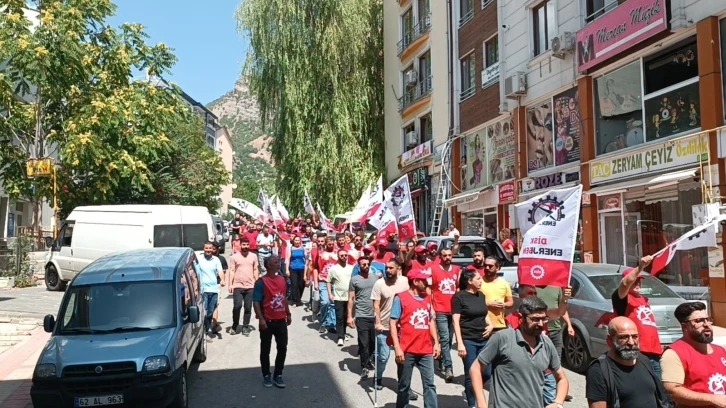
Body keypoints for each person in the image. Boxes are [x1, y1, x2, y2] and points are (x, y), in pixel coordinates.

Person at [470, 297, 569, 408]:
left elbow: (562, 378)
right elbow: (475, 369)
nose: (541, 324)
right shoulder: (502, 338)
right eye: (535, 319)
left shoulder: (546, 344)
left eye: (544, 318)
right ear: (521, 318)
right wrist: (482, 404)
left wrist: (558, 403)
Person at [586, 316, 669, 408]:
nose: (631, 342)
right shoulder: (599, 370)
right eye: (623, 337)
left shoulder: (644, 360)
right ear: (609, 340)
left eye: (634, 337)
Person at [389, 269, 441, 408]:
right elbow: (393, 323)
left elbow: (430, 321)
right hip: (407, 349)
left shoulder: (427, 298)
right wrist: (397, 348)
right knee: (404, 384)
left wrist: (436, 342)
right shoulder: (400, 298)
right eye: (423, 280)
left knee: (430, 384)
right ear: (415, 282)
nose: (426, 282)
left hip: (426, 348)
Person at [662, 301, 726, 407]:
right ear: (685, 327)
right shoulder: (674, 353)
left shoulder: (721, 350)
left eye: (708, 319)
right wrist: (713, 399)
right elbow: (672, 391)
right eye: (699, 321)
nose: (706, 325)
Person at [371, 260, 416, 401]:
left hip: (400, 327)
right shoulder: (379, 284)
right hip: (384, 326)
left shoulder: (404, 281)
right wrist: (377, 322)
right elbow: (376, 305)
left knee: (402, 359)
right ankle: (377, 377)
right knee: (383, 357)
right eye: (386, 268)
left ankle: (405, 388)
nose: (388, 270)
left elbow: (411, 298)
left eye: (391, 268)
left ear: (398, 269)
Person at [612, 255, 663, 378]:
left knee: (657, 389)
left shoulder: (644, 299)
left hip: (654, 352)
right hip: (637, 351)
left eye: (640, 279)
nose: (638, 282)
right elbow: (625, 284)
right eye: (635, 279)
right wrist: (640, 267)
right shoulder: (623, 298)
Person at [452, 268, 493, 408]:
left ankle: (470, 391)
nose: (481, 281)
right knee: (471, 374)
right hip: (468, 340)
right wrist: (460, 343)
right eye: (478, 279)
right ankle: (472, 404)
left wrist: (491, 325)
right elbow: (455, 321)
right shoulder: (459, 297)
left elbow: (484, 313)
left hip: (484, 339)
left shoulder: (481, 295)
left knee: (487, 372)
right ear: (469, 281)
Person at [252, 256, 292, 389]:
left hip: (280, 320)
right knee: (265, 349)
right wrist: (261, 319)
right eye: (275, 262)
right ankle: (266, 375)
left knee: (282, 347)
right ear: (268, 265)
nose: (278, 264)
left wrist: (288, 313)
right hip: (267, 321)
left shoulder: (282, 280)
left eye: (278, 262)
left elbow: (284, 298)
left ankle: (278, 374)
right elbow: (256, 302)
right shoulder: (261, 282)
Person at [431, 246, 460, 382]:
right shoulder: (434, 269)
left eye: (449, 255)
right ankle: (449, 368)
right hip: (440, 308)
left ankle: (442, 359)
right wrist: (431, 307)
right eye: (445, 255)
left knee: (449, 338)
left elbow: (459, 287)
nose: (448, 258)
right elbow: (430, 289)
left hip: (453, 310)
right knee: (444, 338)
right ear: (440, 257)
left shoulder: (456, 270)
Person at [348, 256, 379, 379]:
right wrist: (350, 316)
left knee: (372, 343)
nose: (366, 266)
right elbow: (350, 299)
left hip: (374, 315)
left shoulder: (375, 278)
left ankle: (367, 358)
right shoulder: (354, 280)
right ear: (359, 266)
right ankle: (365, 366)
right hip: (361, 315)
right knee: (363, 342)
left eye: (367, 264)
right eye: (363, 264)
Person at [228, 237, 259, 336]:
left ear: (249, 245)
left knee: (248, 307)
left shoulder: (254, 256)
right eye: (243, 244)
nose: (245, 246)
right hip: (237, 285)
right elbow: (232, 271)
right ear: (240, 245)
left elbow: (255, 270)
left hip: (250, 286)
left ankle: (246, 326)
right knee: (237, 306)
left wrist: (257, 283)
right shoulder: (234, 257)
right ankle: (235, 325)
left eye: (247, 244)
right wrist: (230, 284)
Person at [194, 242, 224, 342]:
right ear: (203, 249)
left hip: (214, 290)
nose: (208, 250)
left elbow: (220, 271)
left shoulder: (216, 260)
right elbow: (195, 273)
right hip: (204, 290)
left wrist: (222, 280)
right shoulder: (199, 260)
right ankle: (203, 334)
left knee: (210, 312)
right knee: (204, 312)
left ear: (213, 249)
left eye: (210, 248)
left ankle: (205, 330)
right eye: (206, 248)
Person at [478, 256, 513, 335]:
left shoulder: (504, 283)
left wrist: (504, 304)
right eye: (485, 265)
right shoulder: (478, 282)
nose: (487, 268)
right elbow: (471, 300)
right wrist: (487, 304)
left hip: (499, 324)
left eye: (490, 266)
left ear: (498, 268)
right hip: (482, 324)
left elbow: (510, 302)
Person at [328, 248, 354, 346]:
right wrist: (330, 294)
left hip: (349, 297)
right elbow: (328, 281)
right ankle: (340, 337)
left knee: (345, 316)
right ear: (338, 257)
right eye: (342, 255)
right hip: (338, 297)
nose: (344, 257)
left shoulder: (352, 268)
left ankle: (343, 332)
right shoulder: (333, 269)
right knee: (339, 317)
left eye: (345, 255)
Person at [316, 236, 339, 333]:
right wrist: (316, 282)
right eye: (329, 244)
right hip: (323, 280)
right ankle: (323, 322)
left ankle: (331, 324)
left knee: (332, 303)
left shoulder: (337, 253)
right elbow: (315, 268)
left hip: (335, 281)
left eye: (332, 244)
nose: (331, 245)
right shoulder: (321, 254)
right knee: (325, 302)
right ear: (326, 243)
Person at [285, 235, 307, 307]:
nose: (297, 241)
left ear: (300, 241)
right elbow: (288, 260)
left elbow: (306, 260)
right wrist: (287, 270)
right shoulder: (291, 248)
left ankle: (298, 299)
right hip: (293, 268)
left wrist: (306, 273)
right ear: (293, 241)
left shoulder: (303, 249)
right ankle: (295, 301)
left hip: (302, 268)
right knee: (294, 285)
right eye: (296, 240)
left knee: (301, 285)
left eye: (298, 240)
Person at [211, 242, 228, 335]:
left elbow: (224, 271)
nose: (212, 250)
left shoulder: (221, 259)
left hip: (216, 284)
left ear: (217, 249)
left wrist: (223, 280)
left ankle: (214, 324)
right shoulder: (203, 259)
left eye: (214, 249)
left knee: (215, 304)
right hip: (205, 285)